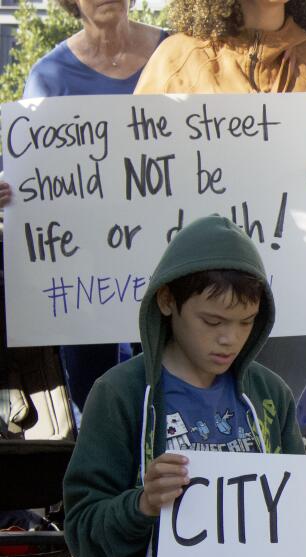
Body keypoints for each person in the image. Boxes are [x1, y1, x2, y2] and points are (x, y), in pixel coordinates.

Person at [62, 215, 304, 557]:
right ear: (167, 302)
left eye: (244, 323)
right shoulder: (120, 394)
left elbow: (301, 517)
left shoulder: (271, 397)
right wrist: (141, 504)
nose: (228, 338)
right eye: (212, 319)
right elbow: (82, 531)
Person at [134, 0, 306, 399]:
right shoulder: (175, 57)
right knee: (188, 411)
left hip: (298, 272)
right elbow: (132, 162)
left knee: (272, 410)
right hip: (192, 274)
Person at [0, 0, 168, 411]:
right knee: (93, 400)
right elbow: (28, 172)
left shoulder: (178, 54)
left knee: (173, 393)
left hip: (169, 270)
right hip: (85, 283)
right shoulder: (48, 76)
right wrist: (8, 189)